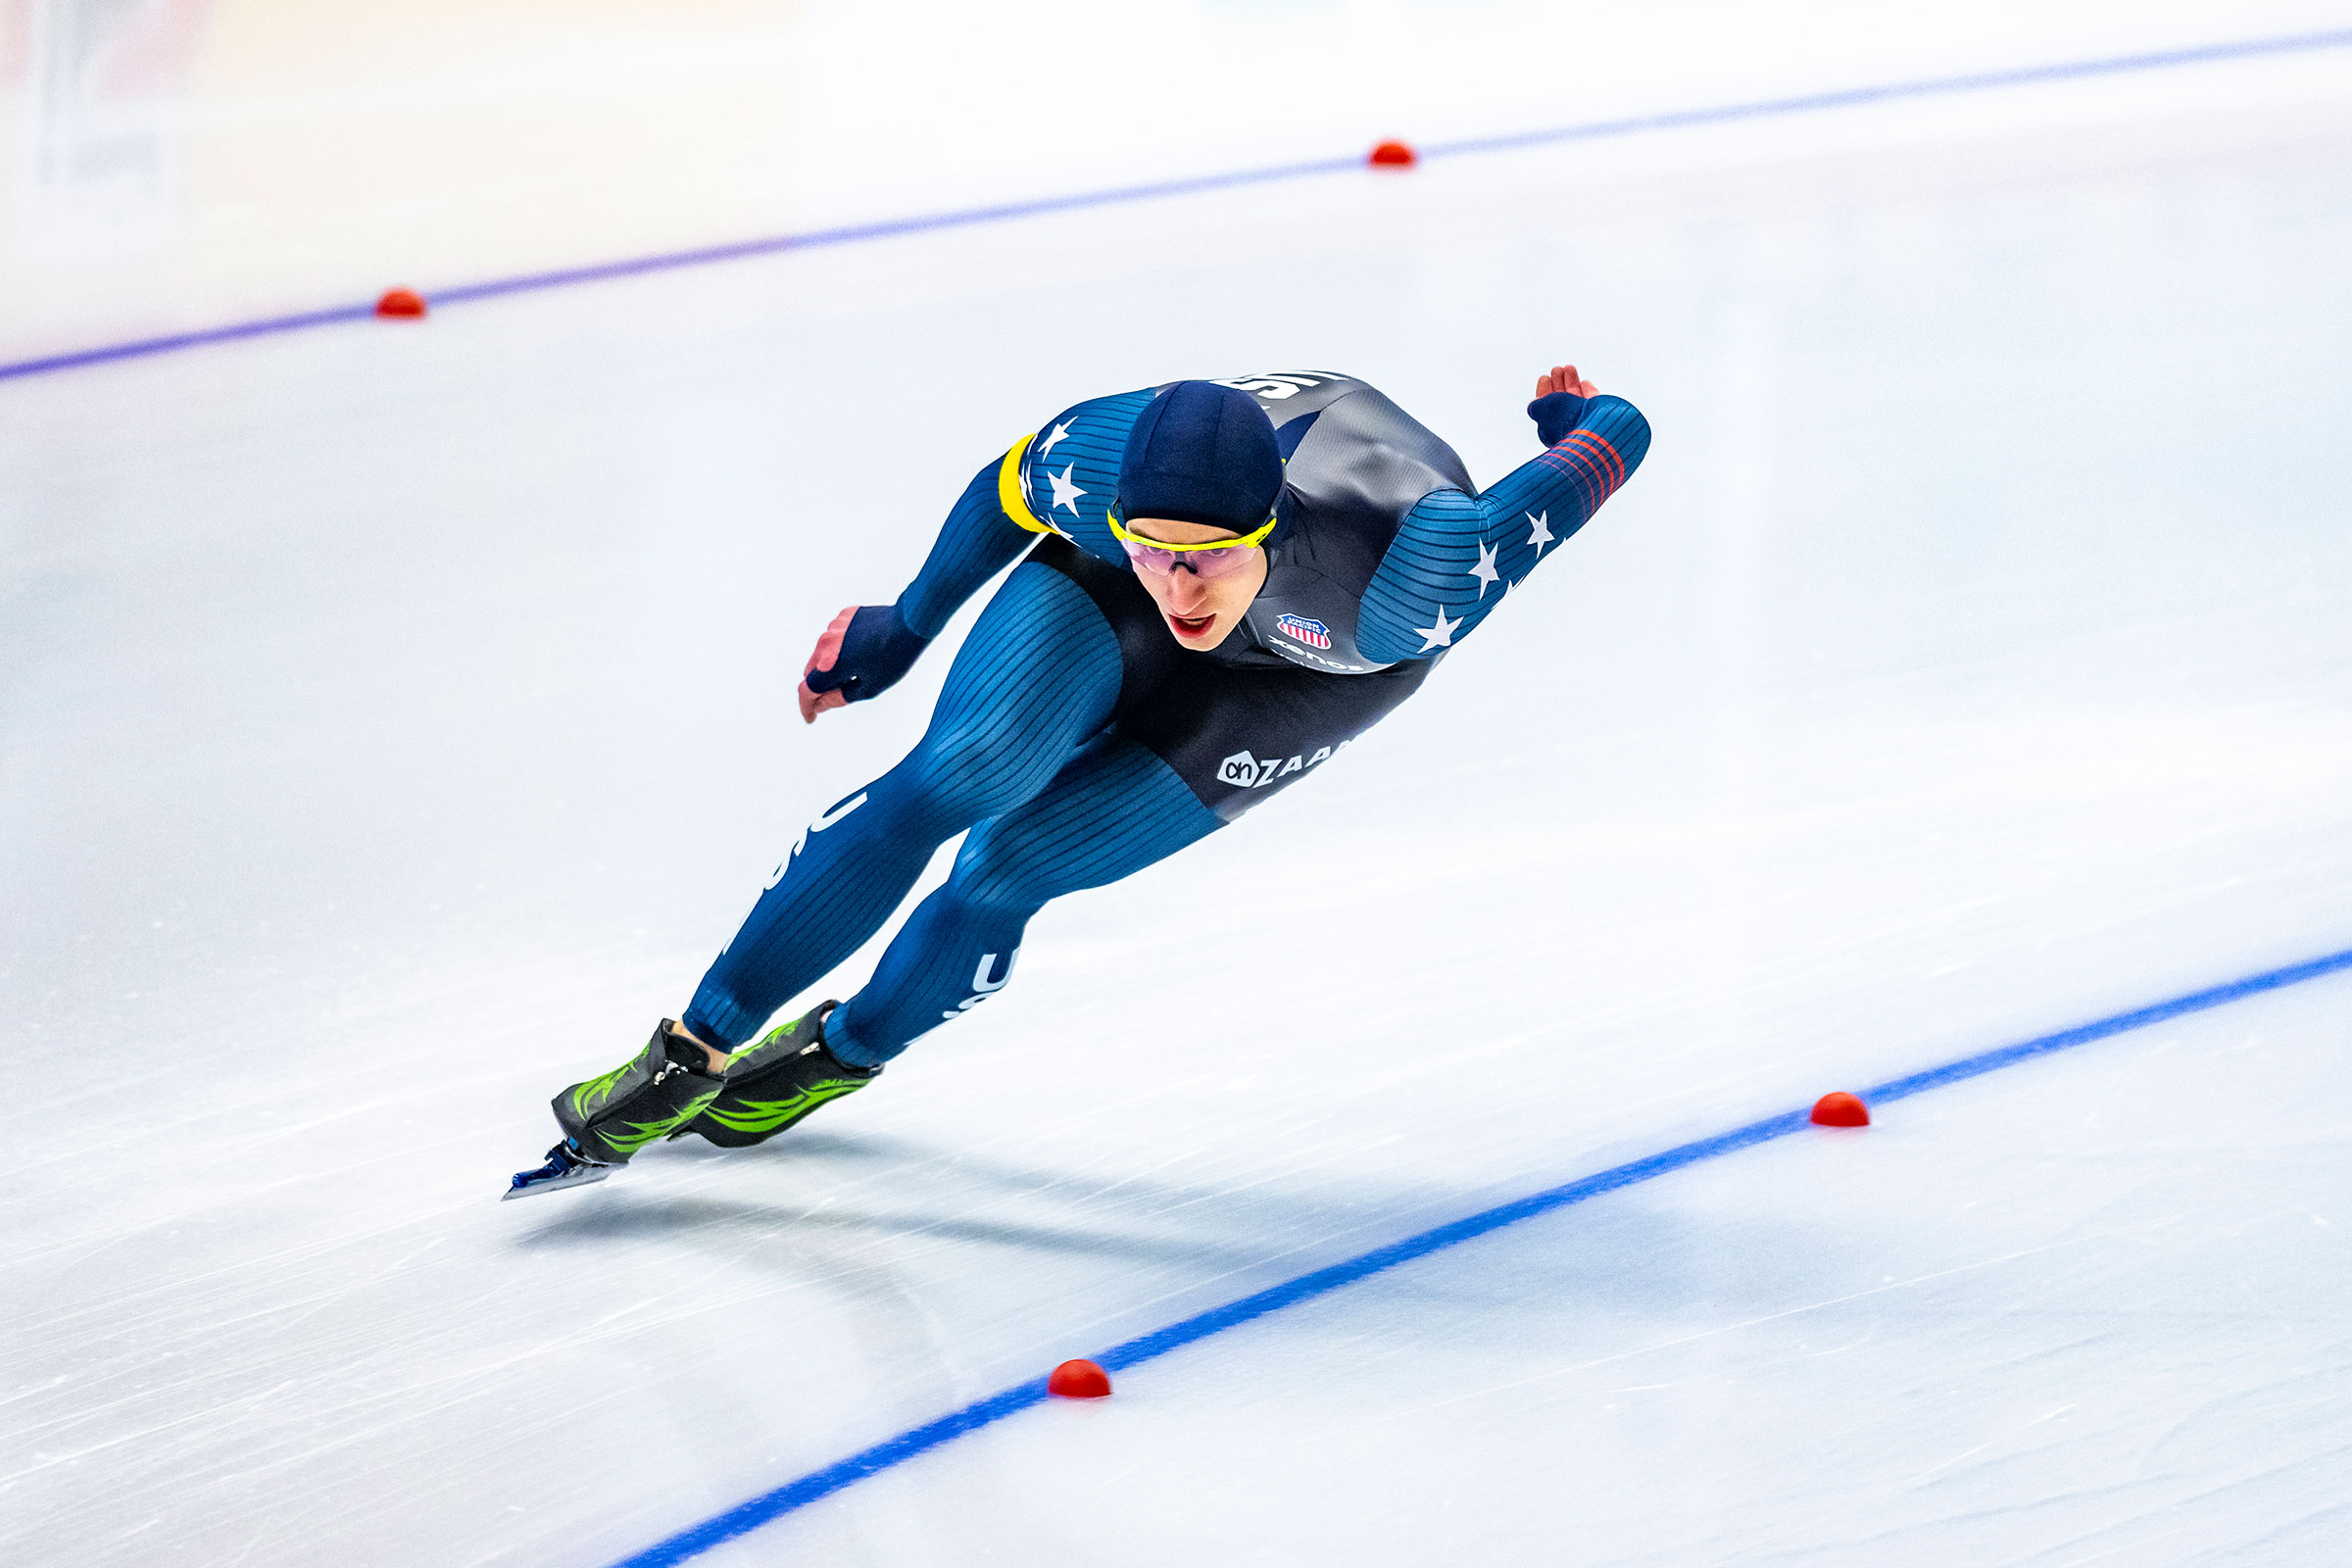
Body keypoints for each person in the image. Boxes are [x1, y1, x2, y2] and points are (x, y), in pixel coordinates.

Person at [508, 364, 1651, 1198]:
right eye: (1155, 547)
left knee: (1009, 864)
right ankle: (691, 1050)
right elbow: (1005, 499)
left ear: (1265, 524)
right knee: (963, 769)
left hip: (1321, 659)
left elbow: (1619, 437)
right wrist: (903, 628)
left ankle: (839, 1053)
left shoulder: (1421, 569)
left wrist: (1568, 419)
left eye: (1204, 557)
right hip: (1149, 580)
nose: (1180, 584)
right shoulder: (1101, 471)